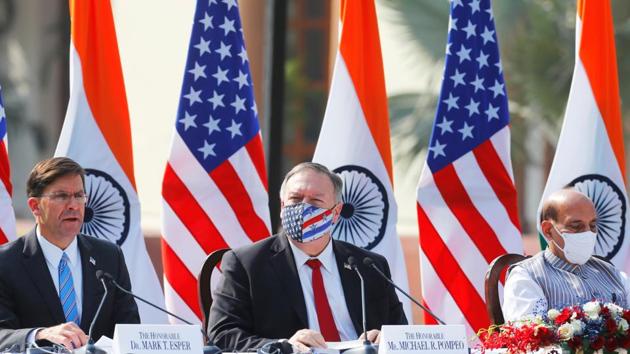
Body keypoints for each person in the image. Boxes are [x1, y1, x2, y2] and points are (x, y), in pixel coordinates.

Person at [208, 162, 407, 352]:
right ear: (282, 204)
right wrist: (283, 346)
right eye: (295, 199)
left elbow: (400, 331)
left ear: (336, 212)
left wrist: (385, 339)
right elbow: (222, 334)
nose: (303, 208)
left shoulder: (368, 266)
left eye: (315, 201)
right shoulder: (247, 263)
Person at [0, 157, 140, 352]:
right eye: (61, 196)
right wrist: (40, 335)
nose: (73, 205)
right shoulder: (6, 263)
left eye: (79, 195)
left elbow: (129, 328)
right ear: (35, 206)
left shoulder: (109, 257)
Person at [503, 188, 630, 322]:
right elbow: (530, 337)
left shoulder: (613, 273)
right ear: (548, 230)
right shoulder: (527, 276)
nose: (587, 233)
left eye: (592, 225)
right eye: (576, 226)